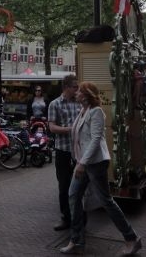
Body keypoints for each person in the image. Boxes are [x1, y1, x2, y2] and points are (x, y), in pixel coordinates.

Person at [60, 82, 142, 255]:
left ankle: (131, 238)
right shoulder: (81, 111)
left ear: (87, 94)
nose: (76, 93)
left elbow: (96, 139)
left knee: (106, 201)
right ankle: (76, 240)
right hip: (82, 162)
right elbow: (79, 139)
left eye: (80, 91)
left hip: (95, 163)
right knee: (73, 196)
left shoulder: (96, 112)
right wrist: (78, 160)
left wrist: (82, 163)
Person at [48, 74, 81, 231]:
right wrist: (72, 130)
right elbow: (52, 128)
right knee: (64, 186)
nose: (77, 89)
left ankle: (80, 218)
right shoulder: (55, 104)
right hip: (63, 151)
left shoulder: (80, 103)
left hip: (79, 151)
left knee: (80, 186)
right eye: (75, 86)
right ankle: (66, 218)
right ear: (66, 87)